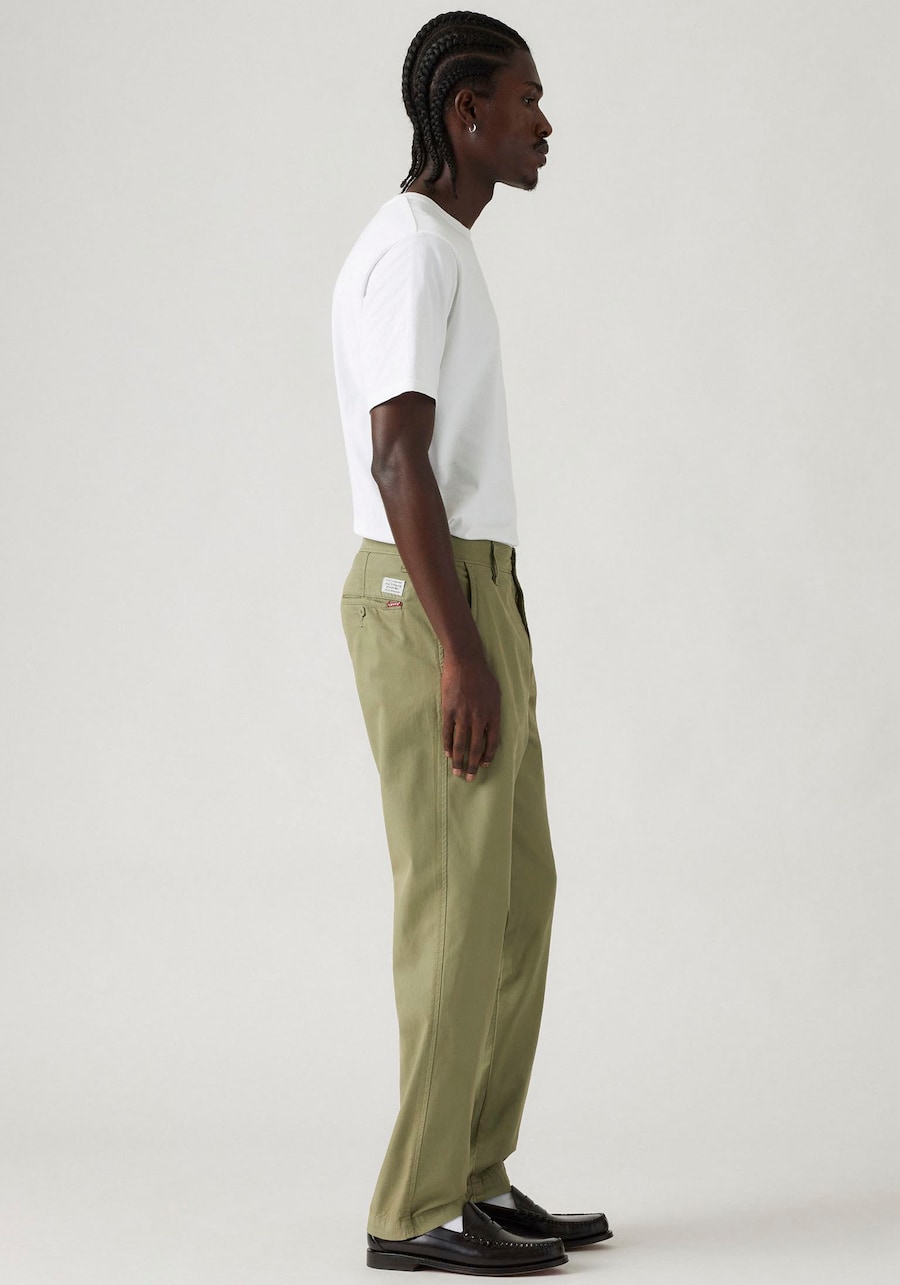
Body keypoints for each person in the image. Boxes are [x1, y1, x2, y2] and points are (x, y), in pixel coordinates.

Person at [331, 12, 613, 1275]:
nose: (543, 123)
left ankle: (476, 1174)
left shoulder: (444, 247)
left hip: (472, 586)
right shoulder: (410, 251)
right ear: (465, 113)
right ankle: (413, 1205)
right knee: (455, 904)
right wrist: (459, 646)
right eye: (525, 98)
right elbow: (397, 455)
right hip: (427, 595)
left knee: (516, 895)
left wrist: (494, 618)